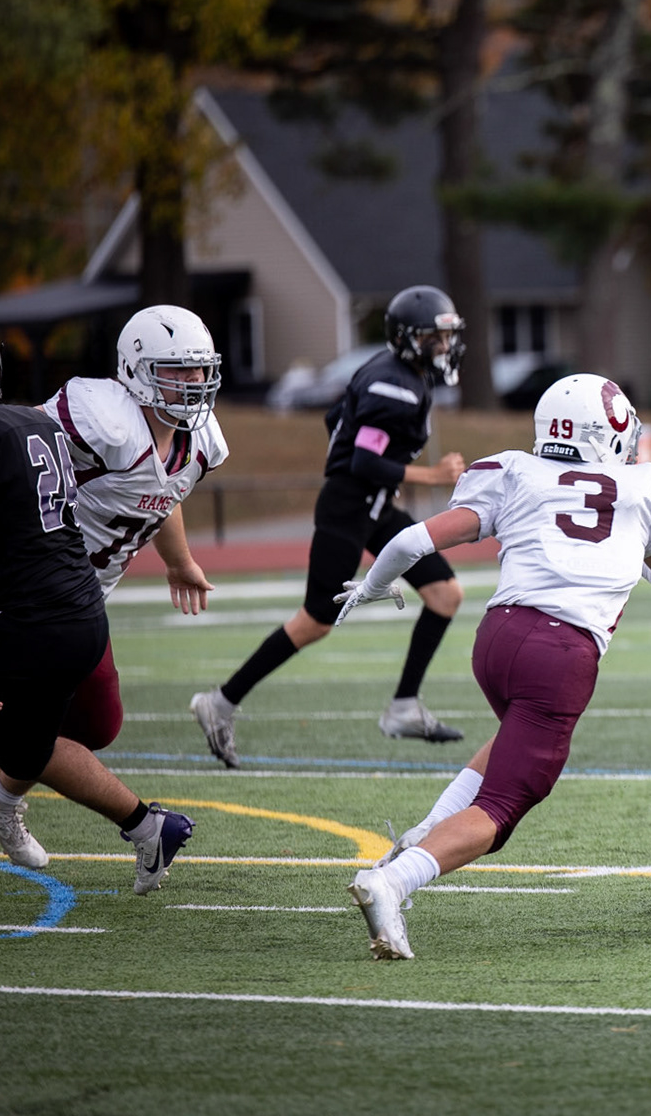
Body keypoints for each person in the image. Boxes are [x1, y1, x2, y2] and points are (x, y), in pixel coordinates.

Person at [337, 374, 651, 959]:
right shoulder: (643, 489)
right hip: (560, 655)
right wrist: (645, 553)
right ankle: (394, 881)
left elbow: (408, 543)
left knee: (508, 746)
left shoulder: (514, 472)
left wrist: (374, 587)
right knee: (504, 807)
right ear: (607, 431)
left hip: (497, 639)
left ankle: (417, 839)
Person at [0, 306, 212, 892]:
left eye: (200, 373)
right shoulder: (101, 418)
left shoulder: (198, 442)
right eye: (179, 372)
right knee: (3, 720)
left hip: (81, 599)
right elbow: (10, 451)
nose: (194, 385)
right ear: (139, 370)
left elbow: (162, 488)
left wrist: (179, 559)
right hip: (31, 595)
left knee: (94, 723)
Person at [191, 287, 470, 767]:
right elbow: (363, 460)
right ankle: (219, 702)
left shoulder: (396, 373)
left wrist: (380, 472)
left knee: (445, 593)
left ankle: (403, 706)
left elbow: (335, 419)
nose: (445, 347)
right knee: (316, 620)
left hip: (374, 507)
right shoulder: (393, 385)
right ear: (409, 340)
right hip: (348, 506)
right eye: (436, 338)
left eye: (447, 337)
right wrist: (432, 476)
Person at [0, 316, 111, 922]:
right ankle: (146, 829)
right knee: (16, 742)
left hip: (27, 623)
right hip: (85, 618)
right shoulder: (34, 420)